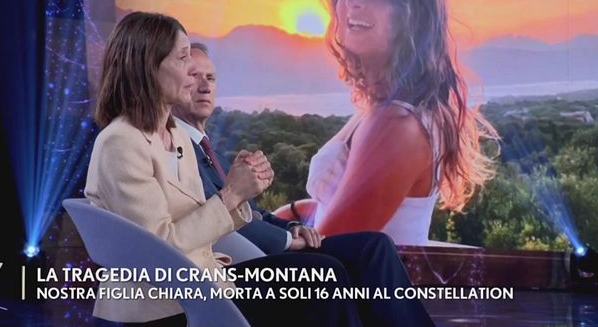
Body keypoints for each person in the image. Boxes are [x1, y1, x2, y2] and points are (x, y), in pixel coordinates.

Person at [84, 12, 362, 327]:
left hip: (206, 281)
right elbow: (159, 248)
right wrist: (231, 194)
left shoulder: (176, 135)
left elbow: (197, 219)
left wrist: (240, 192)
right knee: (320, 277)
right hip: (164, 303)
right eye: (183, 58)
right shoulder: (121, 142)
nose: (192, 73)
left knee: (322, 272)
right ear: (149, 67)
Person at [172, 42, 434, 326]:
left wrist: (291, 227)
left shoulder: (213, 153)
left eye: (210, 78)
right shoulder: (178, 150)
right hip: (236, 263)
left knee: (374, 246)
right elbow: (222, 219)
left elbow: (255, 213)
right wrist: (288, 241)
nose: (205, 87)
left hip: (268, 246)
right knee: (327, 271)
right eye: (194, 76)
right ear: (173, 83)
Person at [275, 0, 499, 246]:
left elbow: (327, 253)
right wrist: (289, 213)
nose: (354, 0)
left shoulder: (396, 125)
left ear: (413, 13)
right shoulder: (386, 107)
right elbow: (351, 210)